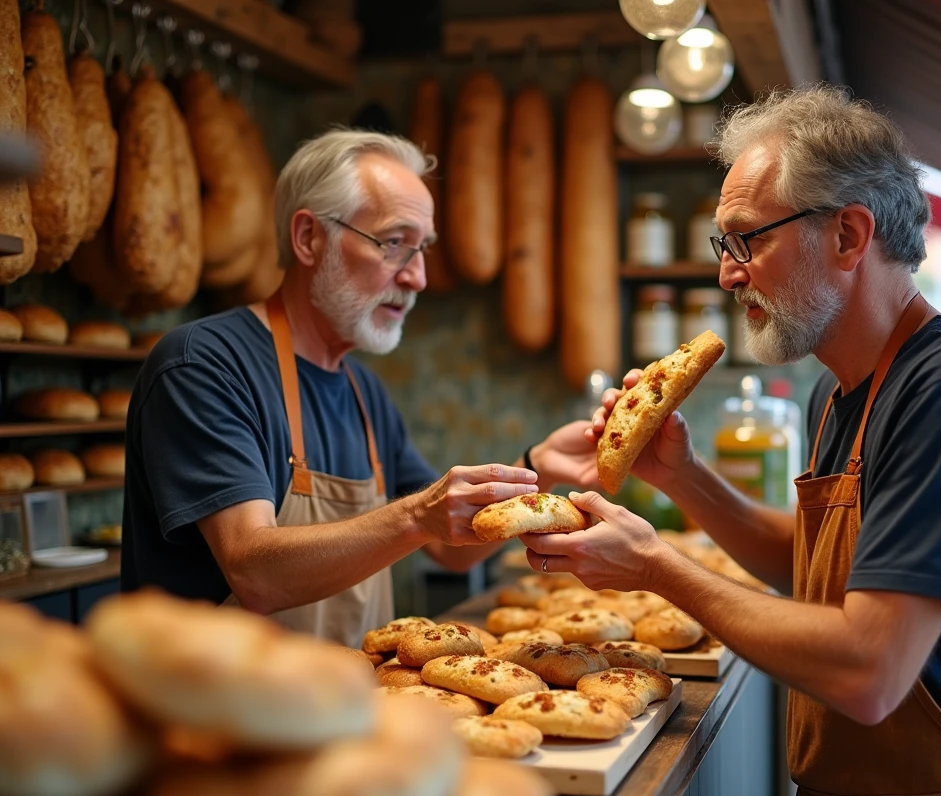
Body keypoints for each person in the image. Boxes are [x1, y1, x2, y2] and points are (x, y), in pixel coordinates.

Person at [525, 87, 941, 796]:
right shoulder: (839, 388)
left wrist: (657, 566)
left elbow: (870, 671)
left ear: (848, 235)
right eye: (725, 243)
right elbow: (809, 566)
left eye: (750, 239)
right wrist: (682, 475)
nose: (727, 272)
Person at [122, 129, 598, 647]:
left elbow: (450, 547)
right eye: (395, 243)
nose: (416, 276)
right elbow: (253, 573)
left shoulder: (363, 392)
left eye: (423, 249)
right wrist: (417, 515)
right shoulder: (204, 366)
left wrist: (539, 468)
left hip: (348, 711)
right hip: (214, 718)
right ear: (309, 238)